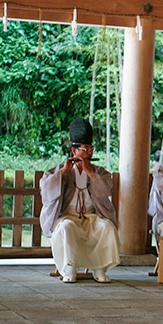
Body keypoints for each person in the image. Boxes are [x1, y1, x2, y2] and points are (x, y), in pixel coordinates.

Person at [39, 118, 120, 283]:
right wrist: (62, 172)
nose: (90, 153)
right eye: (86, 149)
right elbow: (45, 189)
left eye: (91, 149)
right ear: (74, 151)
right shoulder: (61, 169)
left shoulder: (98, 171)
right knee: (66, 227)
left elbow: (106, 189)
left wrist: (90, 173)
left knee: (106, 227)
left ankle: (99, 269)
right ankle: (69, 268)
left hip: (91, 217)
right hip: (68, 216)